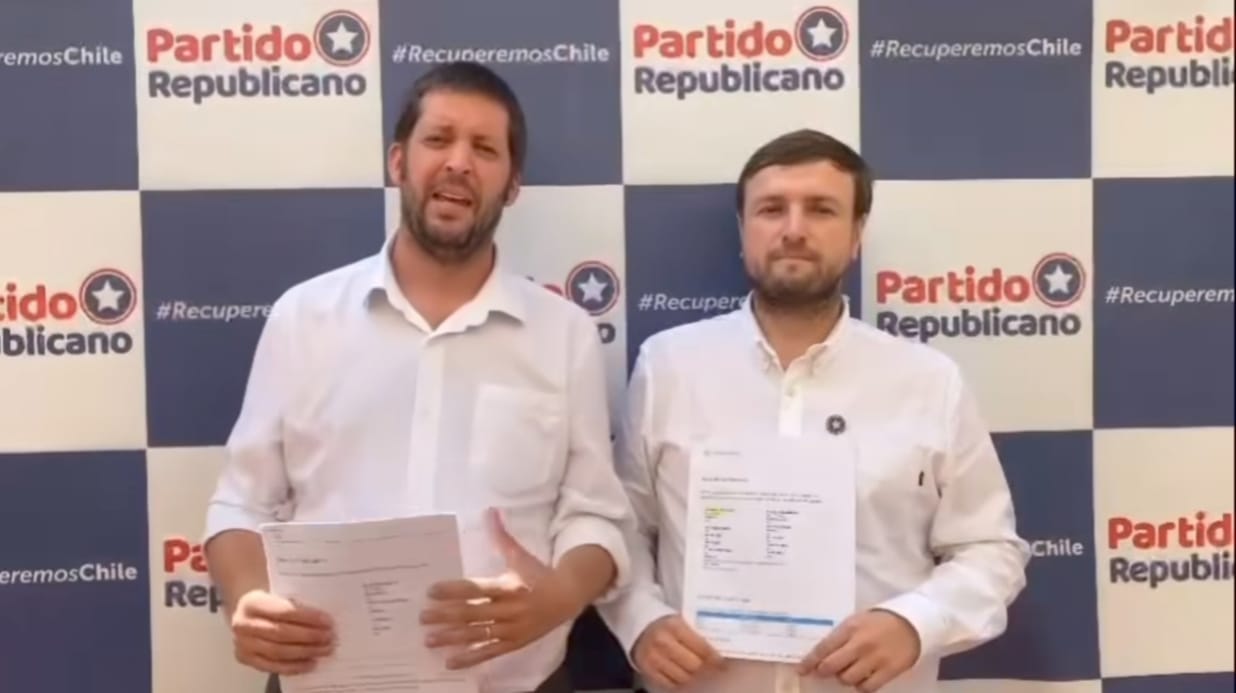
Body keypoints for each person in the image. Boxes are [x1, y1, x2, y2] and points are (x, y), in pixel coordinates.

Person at [202, 60, 633, 693]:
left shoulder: (563, 333)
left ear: (512, 185)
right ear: (398, 163)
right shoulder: (304, 317)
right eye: (439, 139)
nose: (459, 162)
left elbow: (596, 513)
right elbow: (242, 502)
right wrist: (247, 599)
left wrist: (558, 597)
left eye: (485, 148)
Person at [596, 129, 1030, 693]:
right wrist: (642, 622)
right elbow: (623, 527)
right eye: (772, 209)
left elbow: (991, 550)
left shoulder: (928, 381)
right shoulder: (669, 366)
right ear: (743, 230)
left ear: (856, 235)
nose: (794, 229)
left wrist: (914, 623)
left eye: (821, 210)